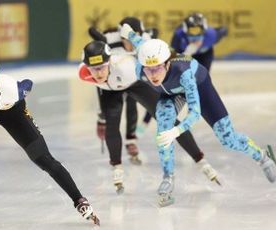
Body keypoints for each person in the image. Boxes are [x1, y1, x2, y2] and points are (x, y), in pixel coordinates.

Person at [120, 24, 276, 205]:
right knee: (163, 127)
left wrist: (177, 131)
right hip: (171, 93)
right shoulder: (142, 67)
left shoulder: (184, 73)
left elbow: (195, 112)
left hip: (198, 86)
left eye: (157, 68)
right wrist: (129, 33)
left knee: (227, 138)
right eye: (148, 69)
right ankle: (168, 177)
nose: (153, 74)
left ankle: (262, 156)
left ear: (167, 63)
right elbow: (141, 43)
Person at [0, 57, 99, 226]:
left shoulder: (11, 89)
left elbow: (28, 84)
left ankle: (79, 200)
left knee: (42, 158)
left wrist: (17, 91)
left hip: (11, 110)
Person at [79, 40, 219, 197]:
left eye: (102, 67)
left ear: (109, 61)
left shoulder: (128, 67)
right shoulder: (84, 74)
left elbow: (151, 63)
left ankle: (200, 159)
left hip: (134, 83)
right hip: (110, 90)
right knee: (112, 123)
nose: (98, 73)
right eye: (93, 69)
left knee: (168, 120)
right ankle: (116, 167)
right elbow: (99, 91)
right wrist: (101, 118)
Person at [137, 13, 228, 136]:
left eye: (198, 31)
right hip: (183, 56)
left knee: (198, 83)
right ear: (185, 31)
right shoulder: (179, 37)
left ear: (204, 31)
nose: (195, 37)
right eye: (191, 31)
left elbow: (222, 31)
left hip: (204, 57)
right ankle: (145, 121)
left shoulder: (211, 35)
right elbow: (172, 58)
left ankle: (186, 93)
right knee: (161, 84)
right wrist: (186, 52)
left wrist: (224, 31)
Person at [88, 16, 158, 163]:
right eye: (125, 39)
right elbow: (92, 32)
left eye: (132, 38)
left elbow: (155, 32)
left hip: (131, 77)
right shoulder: (110, 40)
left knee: (132, 103)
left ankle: (130, 139)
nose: (129, 43)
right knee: (108, 105)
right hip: (111, 77)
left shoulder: (146, 39)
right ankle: (102, 117)